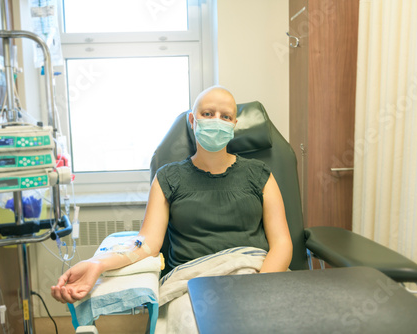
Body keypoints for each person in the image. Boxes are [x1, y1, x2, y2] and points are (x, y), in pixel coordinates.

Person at [51, 86, 293, 304]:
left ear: (234, 125)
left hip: (255, 275)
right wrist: (97, 264)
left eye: (225, 117)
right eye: (207, 114)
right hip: (192, 286)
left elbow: (281, 243)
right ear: (192, 120)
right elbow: (145, 244)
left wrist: (260, 288)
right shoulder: (168, 178)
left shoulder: (259, 175)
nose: (216, 121)